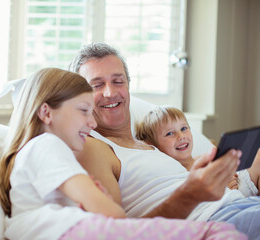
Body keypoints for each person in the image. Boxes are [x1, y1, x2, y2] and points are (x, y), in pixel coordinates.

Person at [0, 67, 246, 240]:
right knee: (216, 232)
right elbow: (111, 215)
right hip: (78, 231)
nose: (92, 123)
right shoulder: (47, 144)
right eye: (83, 110)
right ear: (47, 113)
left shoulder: (36, 156)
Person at [68, 42, 260, 239]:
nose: (110, 92)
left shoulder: (149, 144)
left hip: (240, 203)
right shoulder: (93, 148)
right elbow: (119, 233)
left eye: (118, 81)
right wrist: (191, 193)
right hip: (217, 221)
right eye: (96, 85)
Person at [135, 105, 260, 197]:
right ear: (153, 145)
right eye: (170, 133)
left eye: (184, 128)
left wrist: (230, 174)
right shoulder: (175, 175)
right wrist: (224, 190)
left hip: (239, 184)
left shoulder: (203, 159)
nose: (181, 136)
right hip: (223, 198)